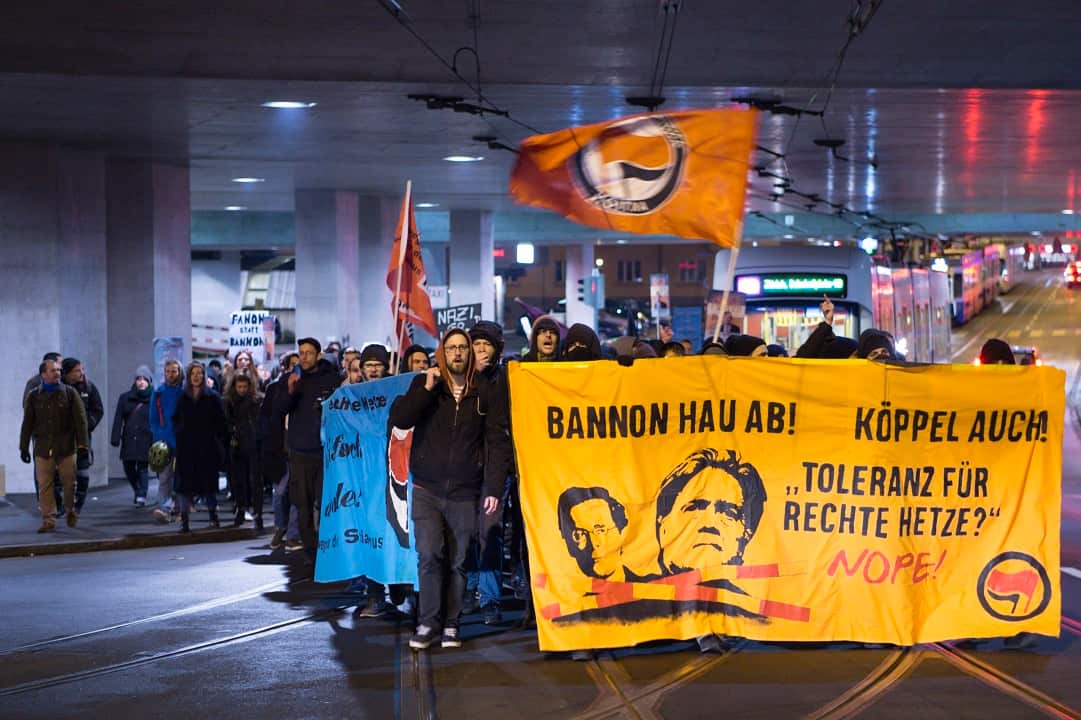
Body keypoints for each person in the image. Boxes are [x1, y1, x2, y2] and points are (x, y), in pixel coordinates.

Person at [390, 328, 511, 650]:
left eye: (463, 348)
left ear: (470, 354)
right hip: (427, 488)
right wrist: (426, 390)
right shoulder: (426, 386)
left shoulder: (485, 391)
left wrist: (494, 488)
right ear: (442, 354)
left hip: (465, 490)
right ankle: (428, 623)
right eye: (451, 348)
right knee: (429, 555)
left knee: (459, 560)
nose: (457, 353)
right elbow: (400, 421)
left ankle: (452, 624)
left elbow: (498, 442)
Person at [274, 337, 342, 561]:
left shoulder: (331, 378)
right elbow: (279, 410)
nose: (304, 357)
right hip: (299, 453)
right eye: (301, 352)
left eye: (308, 353)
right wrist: (290, 390)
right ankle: (311, 551)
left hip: (324, 453)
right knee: (302, 505)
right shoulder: (291, 379)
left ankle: (327, 546)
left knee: (325, 503)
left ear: (318, 355)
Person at [464, 320, 513, 624]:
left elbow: (499, 431)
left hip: (495, 471)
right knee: (466, 532)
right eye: (476, 345)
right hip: (464, 472)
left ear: (497, 350)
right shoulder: (460, 379)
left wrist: (496, 485)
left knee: (489, 533)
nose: (480, 351)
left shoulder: (506, 379)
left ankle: (490, 598)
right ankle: (470, 588)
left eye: (486, 345)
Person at [656, 448, 767, 574]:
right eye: (694, 508)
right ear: (662, 523)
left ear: (746, 534)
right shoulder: (632, 589)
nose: (709, 523)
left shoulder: (765, 593)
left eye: (728, 513)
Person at [20, 358, 89, 532]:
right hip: (43, 447)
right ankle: (48, 520)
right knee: (45, 485)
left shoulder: (70, 393)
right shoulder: (34, 396)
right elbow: (27, 423)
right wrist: (23, 447)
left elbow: (81, 422)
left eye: (58, 370)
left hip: (66, 447)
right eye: (52, 370)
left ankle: (69, 509)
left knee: (69, 483)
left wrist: (83, 446)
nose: (57, 373)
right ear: (43, 374)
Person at [172, 361, 226, 533]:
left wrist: (217, 441)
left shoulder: (212, 397)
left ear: (204, 376)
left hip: (206, 448)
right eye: (193, 373)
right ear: (188, 377)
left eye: (199, 373)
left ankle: (213, 516)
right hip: (186, 448)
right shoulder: (182, 397)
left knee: (208, 484)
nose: (196, 376)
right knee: (184, 485)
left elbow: (221, 422)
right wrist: (179, 433)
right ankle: (184, 520)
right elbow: (176, 418)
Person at [260, 351, 302, 550]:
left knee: (297, 495)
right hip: (279, 450)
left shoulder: (305, 389)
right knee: (280, 493)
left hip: (299, 449)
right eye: (292, 364)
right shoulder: (274, 389)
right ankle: (281, 527)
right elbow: (267, 417)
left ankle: (292, 534)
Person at [60, 357, 104, 515]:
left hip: (82, 438)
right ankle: (62, 505)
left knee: (83, 472)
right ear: (67, 373)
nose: (81, 373)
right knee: (62, 473)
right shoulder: (58, 388)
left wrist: (88, 425)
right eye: (77, 370)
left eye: (82, 369)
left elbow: (98, 409)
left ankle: (78, 505)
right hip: (63, 438)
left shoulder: (88, 387)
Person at [557, 486, 629, 581]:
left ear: (620, 531)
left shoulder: (647, 588)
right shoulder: (554, 591)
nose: (594, 543)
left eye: (601, 531)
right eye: (579, 534)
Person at [110, 366, 155, 506]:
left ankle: (142, 495)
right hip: (129, 437)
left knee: (142, 467)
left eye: (144, 379)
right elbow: (118, 418)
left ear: (149, 381)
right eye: (138, 379)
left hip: (146, 437)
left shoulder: (154, 398)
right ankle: (137, 489)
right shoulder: (125, 398)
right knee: (128, 467)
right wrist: (115, 438)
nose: (141, 382)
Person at [224, 372, 264, 529]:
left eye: (245, 387)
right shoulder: (228, 402)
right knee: (238, 481)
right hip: (237, 445)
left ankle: (257, 513)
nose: (242, 389)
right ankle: (242, 509)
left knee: (255, 482)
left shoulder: (256, 401)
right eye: (239, 386)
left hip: (253, 444)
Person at [150, 359, 184, 521]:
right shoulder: (158, 393)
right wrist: (158, 438)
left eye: (174, 371)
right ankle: (164, 508)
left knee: (181, 476)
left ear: (179, 372)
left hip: (182, 439)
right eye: (168, 371)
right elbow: (153, 419)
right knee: (164, 476)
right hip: (164, 440)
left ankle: (178, 509)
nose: (171, 374)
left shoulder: (184, 392)